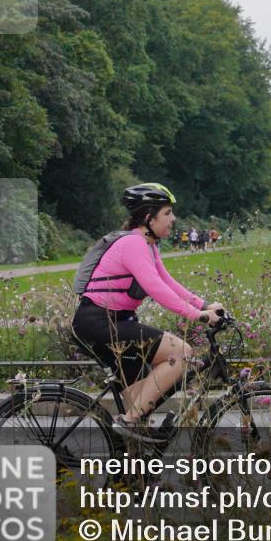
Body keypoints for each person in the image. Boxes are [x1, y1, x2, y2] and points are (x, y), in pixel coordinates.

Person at [71, 183, 224, 440]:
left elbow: (167, 281)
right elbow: (155, 288)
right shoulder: (133, 243)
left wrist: (204, 305)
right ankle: (127, 422)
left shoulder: (148, 245)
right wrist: (195, 315)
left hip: (117, 321)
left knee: (141, 402)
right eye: (167, 213)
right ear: (148, 218)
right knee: (181, 352)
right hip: (99, 322)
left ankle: (132, 451)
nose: (173, 219)